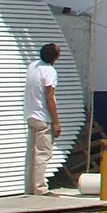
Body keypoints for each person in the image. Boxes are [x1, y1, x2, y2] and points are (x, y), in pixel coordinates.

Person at [25, 43, 62, 196]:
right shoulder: (49, 71)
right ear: (55, 57)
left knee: (31, 154)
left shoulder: (33, 66)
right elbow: (49, 98)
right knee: (43, 154)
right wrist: (55, 122)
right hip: (43, 118)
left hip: (30, 114)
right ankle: (40, 188)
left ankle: (29, 188)